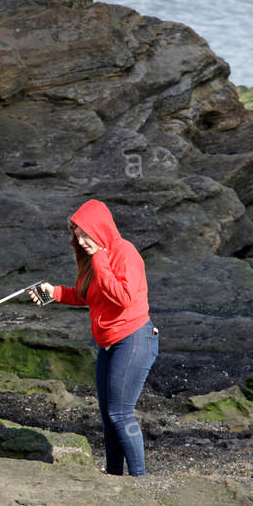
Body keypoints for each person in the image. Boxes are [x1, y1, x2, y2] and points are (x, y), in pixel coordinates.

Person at [31, 200, 157, 476]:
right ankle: (113, 475)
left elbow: (123, 297)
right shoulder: (93, 259)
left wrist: (100, 257)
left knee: (120, 413)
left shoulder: (125, 253)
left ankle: (140, 480)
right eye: (77, 236)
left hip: (135, 339)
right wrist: (55, 292)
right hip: (109, 343)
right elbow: (90, 293)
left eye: (86, 234)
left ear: (100, 230)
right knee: (108, 415)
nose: (81, 241)